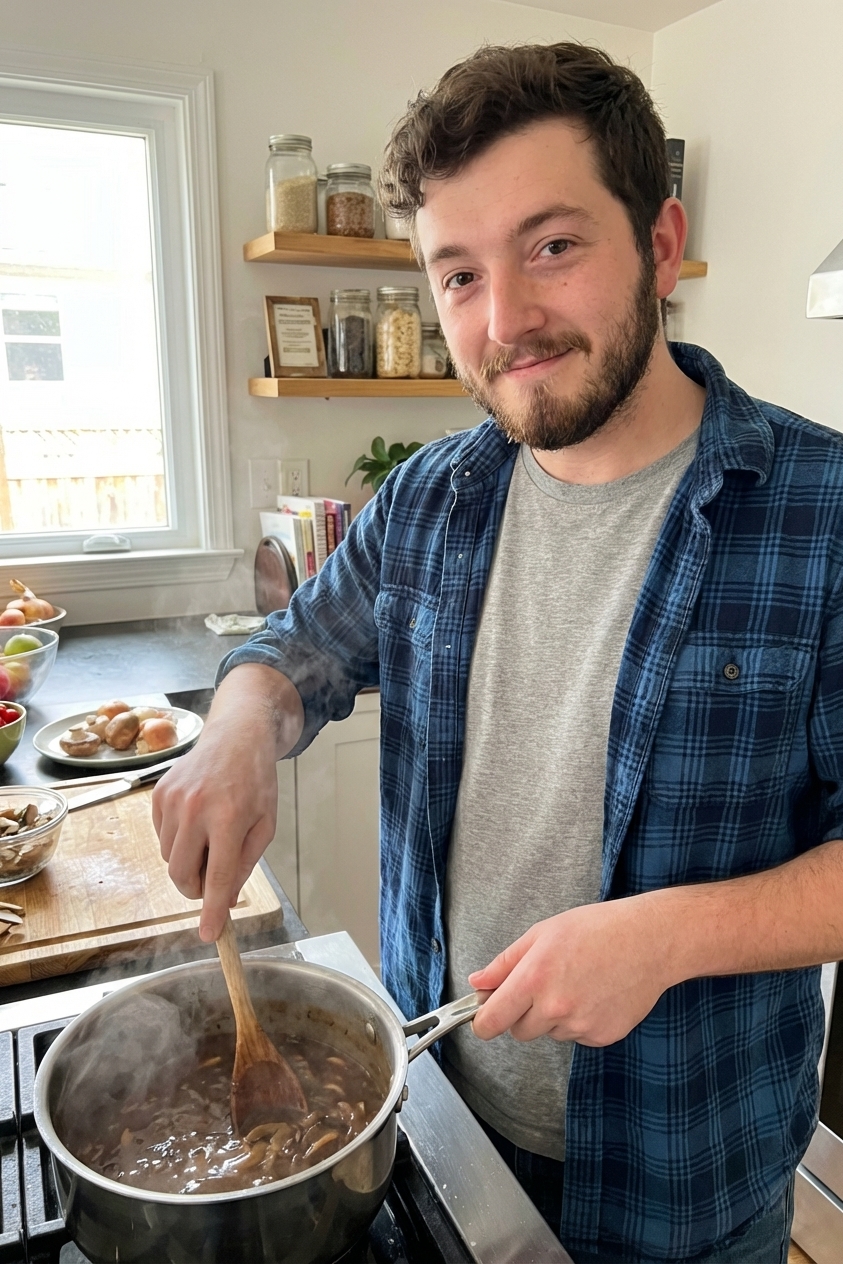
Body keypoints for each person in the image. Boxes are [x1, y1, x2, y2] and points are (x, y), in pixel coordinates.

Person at [152, 42, 843, 1263]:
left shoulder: (823, 513)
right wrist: (243, 727)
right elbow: (297, 644)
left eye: (554, 247)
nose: (505, 320)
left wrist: (668, 936)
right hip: (436, 1121)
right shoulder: (432, 498)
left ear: (662, 243)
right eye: (458, 273)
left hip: (688, 1179)